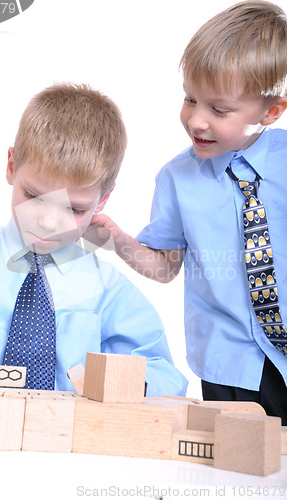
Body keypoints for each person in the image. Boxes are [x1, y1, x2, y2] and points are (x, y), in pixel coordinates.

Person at [89, 1, 287, 423]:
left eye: (219, 110)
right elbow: (165, 268)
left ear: (270, 112)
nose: (196, 120)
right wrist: (119, 242)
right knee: (244, 470)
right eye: (190, 99)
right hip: (230, 364)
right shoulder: (177, 178)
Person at [0, 82, 187, 397]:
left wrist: (122, 385)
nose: (49, 222)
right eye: (34, 196)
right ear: (12, 167)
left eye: (75, 209)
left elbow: (165, 378)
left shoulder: (109, 291)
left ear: (103, 200)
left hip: (62, 440)